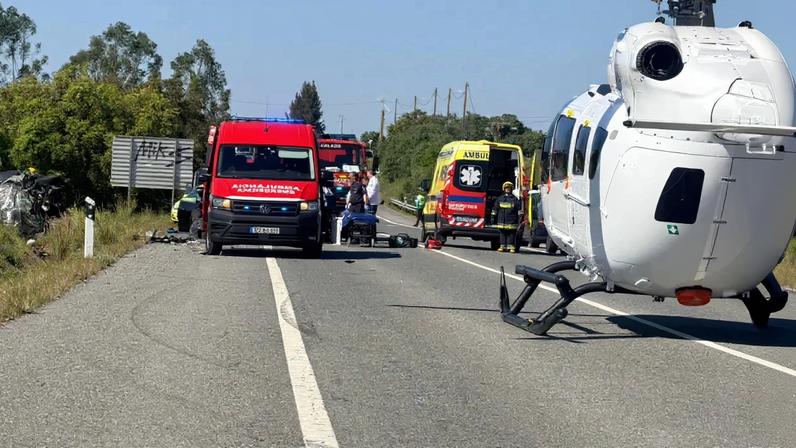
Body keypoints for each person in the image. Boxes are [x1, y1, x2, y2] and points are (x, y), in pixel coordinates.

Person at [492, 181, 521, 253]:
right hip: (502, 220)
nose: (507, 189)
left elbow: (519, 209)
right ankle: (502, 246)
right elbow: (495, 208)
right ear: (504, 189)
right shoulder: (500, 198)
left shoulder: (515, 199)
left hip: (511, 220)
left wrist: (519, 220)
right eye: (506, 188)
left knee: (511, 234)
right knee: (502, 233)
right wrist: (493, 217)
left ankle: (511, 247)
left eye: (509, 188)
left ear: (511, 189)